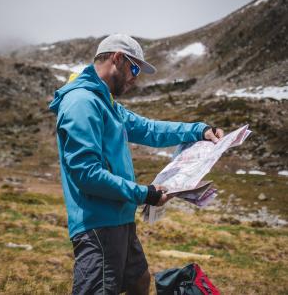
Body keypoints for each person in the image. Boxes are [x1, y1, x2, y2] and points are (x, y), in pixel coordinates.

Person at [49, 34, 224, 294]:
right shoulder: (82, 103)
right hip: (99, 225)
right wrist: (145, 194)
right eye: (134, 68)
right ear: (116, 58)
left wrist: (198, 131)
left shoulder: (104, 102)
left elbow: (149, 129)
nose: (135, 78)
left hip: (119, 218)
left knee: (139, 280)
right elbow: (86, 174)